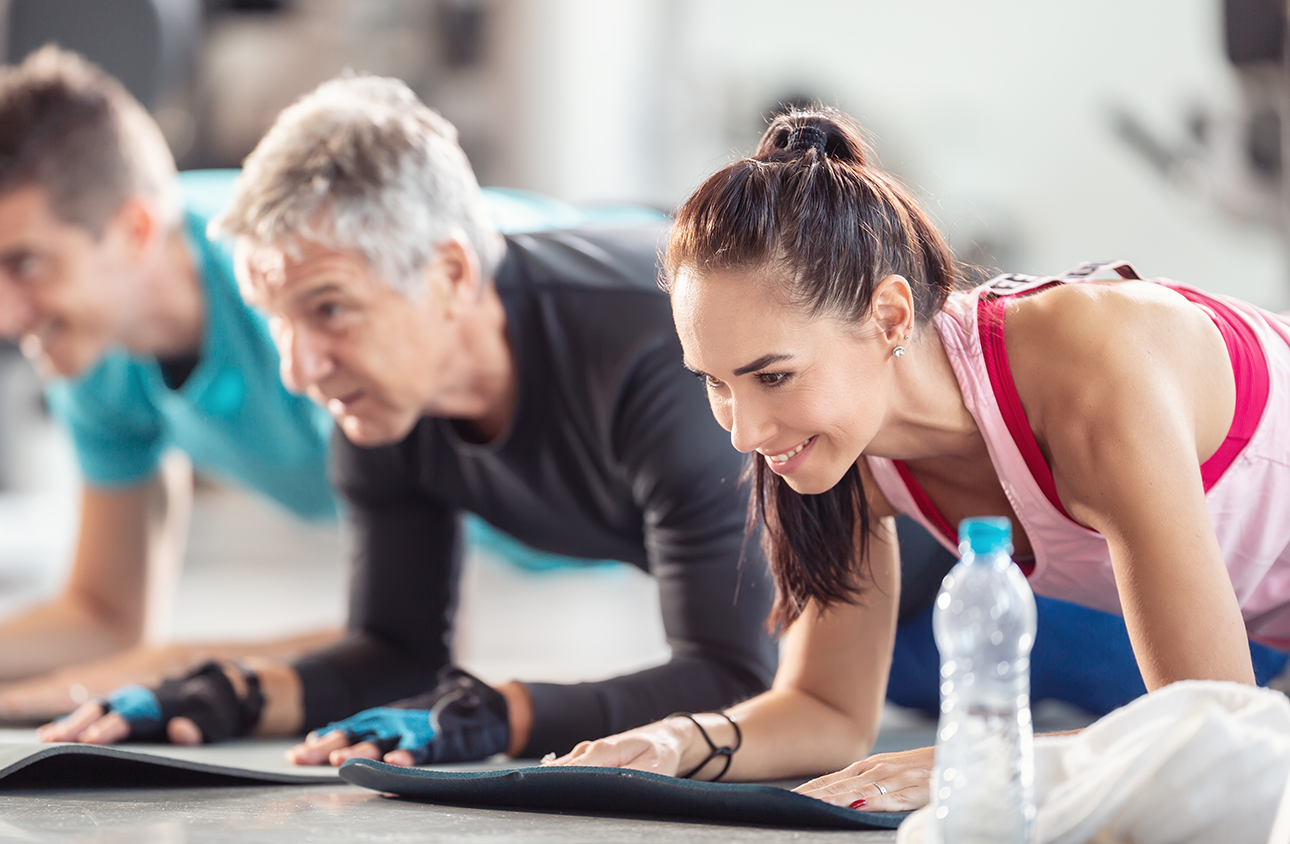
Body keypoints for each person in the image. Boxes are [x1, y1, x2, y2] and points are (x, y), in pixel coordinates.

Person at [0, 49, 622, 717]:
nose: (0, 317)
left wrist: (162, 671)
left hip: (640, 377)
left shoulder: (308, 302)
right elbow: (106, 614)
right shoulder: (101, 357)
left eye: (24, 266)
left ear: (135, 229)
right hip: (564, 531)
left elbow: (411, 640)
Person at [548, 106, 1290, 811]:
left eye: (773, 376)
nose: (743, 433)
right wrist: (680, 740)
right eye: (716, 383)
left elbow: (1212, 728)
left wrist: (969, 759)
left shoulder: (1092, 371)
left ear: (890, 317)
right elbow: (827, 709)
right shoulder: (842, 450)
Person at [38, 75, 779, 762]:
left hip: (884, 626)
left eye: (330, 310)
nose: (299, 370)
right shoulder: (387, 403)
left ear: (450, 275)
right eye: (278, 323)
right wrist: (224, 694)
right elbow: (397, 651)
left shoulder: (657, 344)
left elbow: (739, 679)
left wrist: (501, 715)